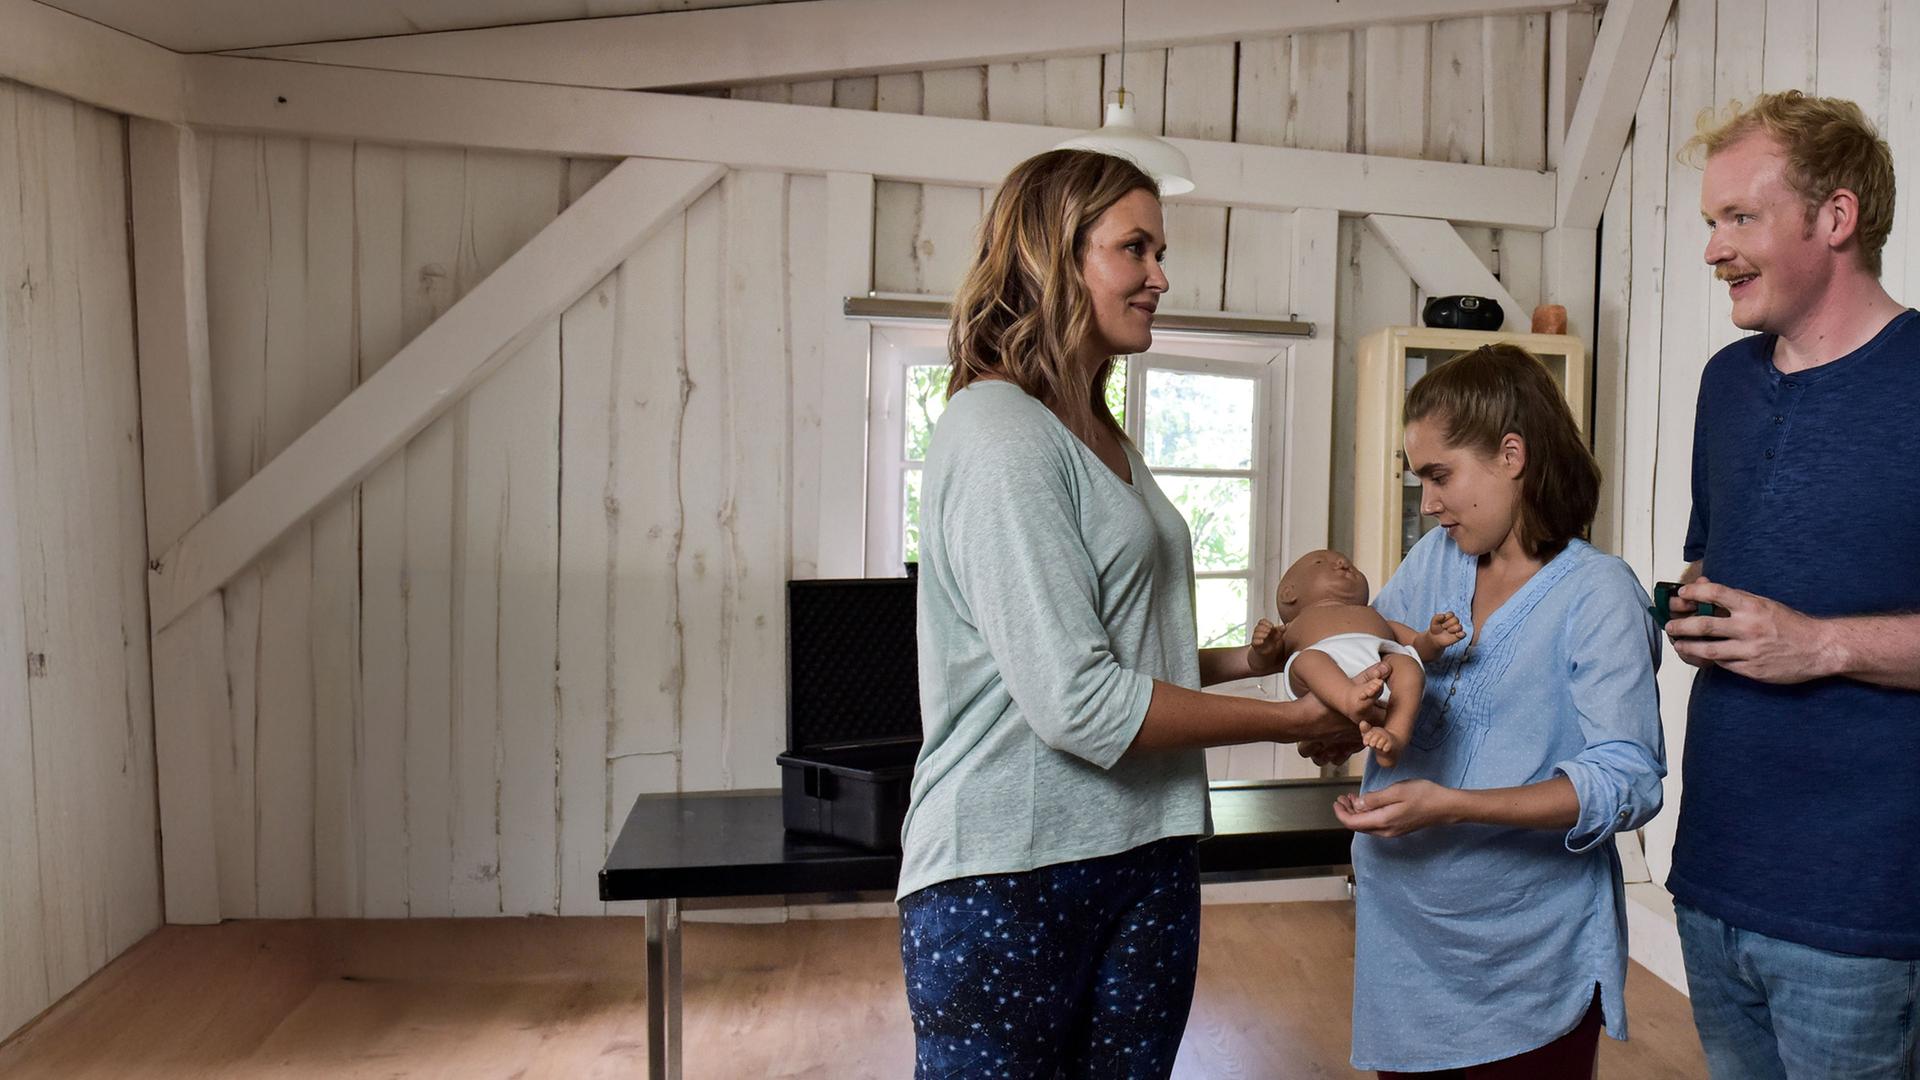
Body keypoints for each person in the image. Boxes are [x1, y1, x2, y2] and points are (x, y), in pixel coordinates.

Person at [896, 148, 1388, 1079]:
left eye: (1159, 250)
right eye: (1136, 249)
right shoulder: (998, 432)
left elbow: (1120, 647)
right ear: (1054, 255)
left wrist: (1257, 660)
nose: (1161, 277)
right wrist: (1291, 720)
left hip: (1147, 851)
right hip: (1012, 870)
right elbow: (1077, 701)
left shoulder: (1095, 430)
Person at [1664, 90, 1920, 1080]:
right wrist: (1694, 605)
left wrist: (1821, 644)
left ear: (1837, 217)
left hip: (1860, 907)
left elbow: (1807, 626)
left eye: (1739, 218)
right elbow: (1717, 559)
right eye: (1709, 223)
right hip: (1713, 876)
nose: (1714, 248)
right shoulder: (1725, 385)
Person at [1331, 343, 1667, 1078]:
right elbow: (1374, 665)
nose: (1428, 504)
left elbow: (1629, 780)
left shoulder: (1599, 593)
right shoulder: (1435, 562)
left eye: (1440, 476)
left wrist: (1453, 804)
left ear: (1511, 454)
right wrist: (1333, 710)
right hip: (1405, 947)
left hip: (1524, 963)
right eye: (1419, 479)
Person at [1248, 548, 1465, 766]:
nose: (1343, 562)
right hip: (1322, 678)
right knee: (1308, 660)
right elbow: (1260, 664)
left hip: (1380, 677)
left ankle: (1395, 736)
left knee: (1408, 665)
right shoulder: (1294, 626)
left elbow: (1418, 648)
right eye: (1320, 562)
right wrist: (1264, 648)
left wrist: (1433, 639)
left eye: (1347, 561)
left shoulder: (1376, 616)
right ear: (1289, 593)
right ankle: (1347, 700)